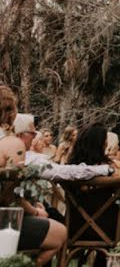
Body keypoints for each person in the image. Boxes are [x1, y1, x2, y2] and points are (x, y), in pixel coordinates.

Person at [0, 95, 67, 267]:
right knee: (59, 233)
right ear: (10, 113)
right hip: (3, 219)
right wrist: (35, 211)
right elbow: (10, 196)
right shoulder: (11, 144)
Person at [66, 123, 120, 267]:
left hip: (75, 225)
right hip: (108, 228)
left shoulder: (71, 166)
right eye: (104, 140)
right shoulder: (112, 167)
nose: (106, 143)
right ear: (99, 144)